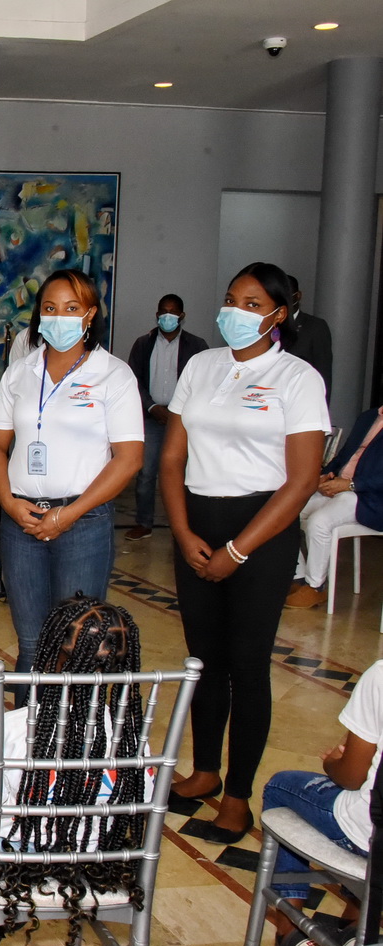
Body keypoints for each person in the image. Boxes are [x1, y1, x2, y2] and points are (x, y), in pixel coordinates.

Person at [163, 261, 328, 842]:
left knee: (247, 666)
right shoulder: (201, 366)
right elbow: (173, 458)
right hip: (197, 522)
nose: (236, 311)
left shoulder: (297, 378)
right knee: (203, 659)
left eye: (253, 304)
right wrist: (182, 532)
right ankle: (205, 771)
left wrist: (238, 550)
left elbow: (302, 481)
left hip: (262, 528)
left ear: (279, 314)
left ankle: (237, 796)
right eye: (232, 299)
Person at [0, 597, 156, 946]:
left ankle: (2, 900)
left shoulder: (16, 727)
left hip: (27, 849)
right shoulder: (132, 737)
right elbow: (142, 806)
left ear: (50, 659)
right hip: (97, 850)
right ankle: (68, 871)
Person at [0, 268, 143, 690]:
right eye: (50, 308)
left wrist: (69, 514)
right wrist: (9, 503)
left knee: (77, 642)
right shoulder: (20, 373)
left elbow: (128, 459)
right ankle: (27, 729)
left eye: (72, 308)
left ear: (90, 314)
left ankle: (67, 730)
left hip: (83, 522)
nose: (59, 317)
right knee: (31, 643)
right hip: (21, 520)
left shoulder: (114, 375)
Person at [259, 657, 382, 946]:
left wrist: (332, 763)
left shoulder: (380, 675)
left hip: (369, 835)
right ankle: (355, 925)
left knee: (280, 786)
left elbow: (352, 776)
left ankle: (289, 932)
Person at [124, 294, 209, 540]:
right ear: (157, 314)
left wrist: (179, 411)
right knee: (146, 473)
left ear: (182, 316)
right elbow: (133, 380)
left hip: (183, 420)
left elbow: (204, 383)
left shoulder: (197, 346)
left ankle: (185, 526)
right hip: (151, 416)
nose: (167, 316)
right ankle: (144, 523)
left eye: (173, 312)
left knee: (184, 473)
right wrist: (152, 407)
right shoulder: (143, 343)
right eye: (163, 312)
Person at [287, 405, 383, 609]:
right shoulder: (369, 417)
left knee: (319, 522)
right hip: (340, 487)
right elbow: (343, 455)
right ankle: (298, 577)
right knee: (287, 512)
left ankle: (315, 587)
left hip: (371, 498)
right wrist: (325, 475)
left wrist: (351, 485)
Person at [287, 275, 333, 402]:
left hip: (302, 399)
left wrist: (321, 407)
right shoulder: (269, 325)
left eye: (287, 295)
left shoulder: (315, 326)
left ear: (298, 296)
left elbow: (323, 374)